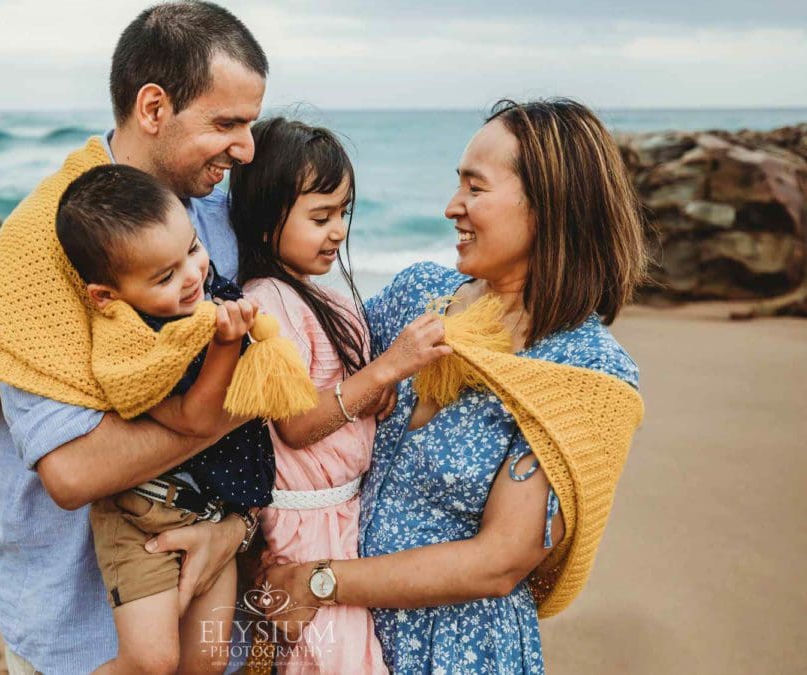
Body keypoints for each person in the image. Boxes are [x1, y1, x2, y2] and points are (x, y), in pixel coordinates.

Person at [257, 99, 647, 673]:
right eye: (456, 184)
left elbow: (500, 561)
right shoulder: (416, 298)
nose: (451, 207)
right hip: (345, 640)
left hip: (459, 651)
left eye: (475, 188)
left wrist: (319, 581)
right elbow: (299, 409)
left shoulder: (584, 372)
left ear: (549, 206)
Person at [0, 3, 269, 673]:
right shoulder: (42, 245)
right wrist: (240, 399)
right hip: (83, 635)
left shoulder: (222, 215)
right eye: (226, 123)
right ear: (153, 107)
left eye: (252, 123)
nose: (247, 149)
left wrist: (236, 526)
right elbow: (75, 470)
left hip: (216, 615)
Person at [232, 118, 452, 673]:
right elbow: (297, 425)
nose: (338, 232)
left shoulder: (328, 299)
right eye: (320, 217)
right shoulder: (268, 303)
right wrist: (383, 373)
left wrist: (370, 390)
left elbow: (346, 400)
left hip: (346, 513)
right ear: (264, 223)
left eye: (344, 214)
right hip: (305, 526)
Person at [55, 163, 270, 674]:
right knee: (151, 660)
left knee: (210, 660)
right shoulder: (129, 345)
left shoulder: (205, 296)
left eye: (193, 250)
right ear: (107, 295)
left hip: (213, 510)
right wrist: (225, 346)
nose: (193, 276)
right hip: (142, 517)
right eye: (165, 276)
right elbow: (196, 419)